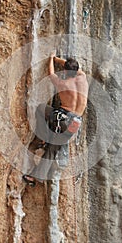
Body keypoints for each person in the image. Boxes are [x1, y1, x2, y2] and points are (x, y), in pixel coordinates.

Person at [23, 52, 88, 186]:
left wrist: (51, 59)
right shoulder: (83, 78)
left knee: (41, 109)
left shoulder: (63, 83)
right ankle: (36, 177)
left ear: (65, 70)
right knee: (52, 149)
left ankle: (42, 137)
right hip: (76, 122)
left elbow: (51, 73)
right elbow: (73, 69)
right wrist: (59, 59)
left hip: (63, 119)